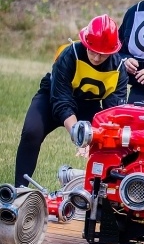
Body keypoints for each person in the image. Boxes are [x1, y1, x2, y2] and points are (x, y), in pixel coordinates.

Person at [14, 15, 128, 187]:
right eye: (92, 51)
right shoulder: (69, 54)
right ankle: (19, 190)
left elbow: (113, 114)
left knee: (112, 144)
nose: (96, 58)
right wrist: (79, 135)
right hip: (52, 97)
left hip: (90, 105)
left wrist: (96, 136)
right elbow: (61, 100)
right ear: (85, 43)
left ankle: (103, 195)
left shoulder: (119, 69)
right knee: (31, 132)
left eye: (103, 54)